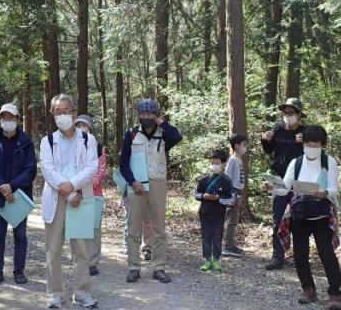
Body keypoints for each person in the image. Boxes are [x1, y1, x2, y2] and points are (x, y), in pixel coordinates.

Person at [40, 94, 99, 308]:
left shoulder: (88, 139)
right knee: (53, 249)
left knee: (82, 249)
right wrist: (68, 192)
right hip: (57, 198)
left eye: (66, 111)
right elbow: (47, 169)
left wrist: (72, 187)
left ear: (74, 113)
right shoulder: (47, 141)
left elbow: (91, 168)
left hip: (80, 198)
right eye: (57, 112)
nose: (62, 115)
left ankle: (82, 292)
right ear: (53, 115)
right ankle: (55, 292)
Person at [120, 98, 182, 284]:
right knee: (133, 228)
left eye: (150, 114)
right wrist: (132, 182)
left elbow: (177, 137)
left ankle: (159, 267)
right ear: (138, 115)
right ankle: (133, 267)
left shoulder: (163, 135)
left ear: (156, 115)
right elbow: (123, 164)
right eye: (143, 114)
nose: (146, 117)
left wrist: (160, 122)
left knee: (159, 227)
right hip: (136, 185)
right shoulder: (131, 134)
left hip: (157, 183)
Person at [282, 125, 341, 310]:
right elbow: (285, 187)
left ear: (322, 144)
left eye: (315, 143)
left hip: (321, 213)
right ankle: (308, 288)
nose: (311, 146)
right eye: (308, 143)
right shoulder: (296, 162)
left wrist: (323, 192)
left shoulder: (329, 161)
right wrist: (273, 188)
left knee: (327, 253)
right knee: (300, 254)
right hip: (299, 213)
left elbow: (334, 188)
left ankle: (335, 293)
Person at [0, 103, 37, 286]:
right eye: (4, 118)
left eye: (11, 118)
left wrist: (12, 186)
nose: (8, 121)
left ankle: (19, 271)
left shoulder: (26, 142)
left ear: (18, 119)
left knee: (20, 234)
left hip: (19, 196)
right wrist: (2, 186)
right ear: (0, 120)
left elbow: (31, 170)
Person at [260, 98, 307, 270]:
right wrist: (265, 140)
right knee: (278, 219)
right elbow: (268, 151)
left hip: (299, 182)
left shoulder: (306, 132)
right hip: (279, 180)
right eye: (285, 113)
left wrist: (305, 143)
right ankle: (277, 257)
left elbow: (314, 154)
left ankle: (300, 258)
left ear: (299, 114)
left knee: (299, 220)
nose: (288, 116)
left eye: (291, 113)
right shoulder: (278, 129)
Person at [194, 148, 237, 272]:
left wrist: (218, 198)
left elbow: (231, 199)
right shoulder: (204, 179)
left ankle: (216, 260)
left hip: (219, 213)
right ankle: (207, 260)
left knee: (217, 237)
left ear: (223, 164)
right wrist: (204, 196)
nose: (214, 165)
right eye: (212, 162)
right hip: (204, 212)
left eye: (217, 163)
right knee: (206, 237)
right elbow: (196, 194)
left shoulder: (226, 180)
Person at [75, 114, 106, 276]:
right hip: (75, 194)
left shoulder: (99, 147)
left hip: (94, 194)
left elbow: (100, 171)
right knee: (79, 229)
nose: (81, 129)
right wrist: (76, 187)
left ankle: (93, 262)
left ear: (90, 128)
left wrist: (84, 184)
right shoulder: (71, 146)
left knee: (94, 229)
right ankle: (80, 260)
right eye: (78, 126)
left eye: (84, 126)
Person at [222, 134, 247, 257]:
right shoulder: (232, 160)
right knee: (231, 219)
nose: (245, 147)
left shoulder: (239, 159)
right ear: (236, 146)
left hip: (238, 191)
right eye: (243, 144)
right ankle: (227, 246)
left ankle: (230, 244)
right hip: (233, 191)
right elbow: (227, 177)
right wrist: (231, 194)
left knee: (234, 219)